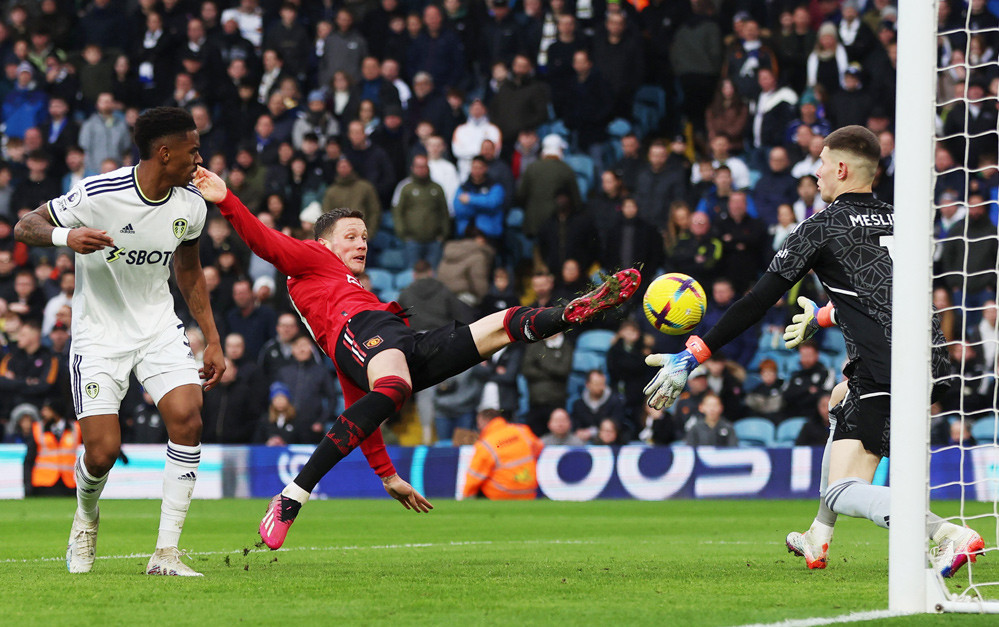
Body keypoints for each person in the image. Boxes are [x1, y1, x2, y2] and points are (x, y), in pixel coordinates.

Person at [192, 166, 639, 549]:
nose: (362, 244)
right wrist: (227, 199)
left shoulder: (346, 292)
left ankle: (571, 312)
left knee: (498, 327)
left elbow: (357, 408)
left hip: (392, 340)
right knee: (393, 386)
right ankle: (292, 496)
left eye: (365, 237)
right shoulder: (313, 259)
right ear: (326, 245)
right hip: (368, 332)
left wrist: (387, 476)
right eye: (351, 236)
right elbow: (266, 242)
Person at [642, 125, 982, 578]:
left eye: (821, 163)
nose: (816, 172)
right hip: (932, 360)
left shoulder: (820, 226)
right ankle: (818, 535)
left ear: (841, 168)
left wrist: (693, 354)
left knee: (845, 488)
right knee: (839, 401)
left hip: (885, 367)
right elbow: (884, 294)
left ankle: (948, 535)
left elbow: (757, 301)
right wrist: (825, 316)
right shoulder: (900, 218)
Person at [13, 107, 226, 577]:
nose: (199, 158)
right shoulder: (98, 192)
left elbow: (188, 270)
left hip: (157, 328)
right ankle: (85, 521)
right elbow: (24, 225)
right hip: (99, 334)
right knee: (103, 451)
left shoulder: (191, 203)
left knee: (188, 419)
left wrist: (211, 339)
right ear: (163, 152)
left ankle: (166, 555)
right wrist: (66, 236)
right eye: (192, 150)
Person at [461, 408, 543, 500]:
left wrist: (465, 496)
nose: (478, 427)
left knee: (482, 479)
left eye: (478, 423)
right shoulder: (522, 430)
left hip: (501, 493)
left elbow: (475, 476)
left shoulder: (486, 444)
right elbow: (539, 447)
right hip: (528, 491)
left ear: (484, 421)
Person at [24, 399, 80, 497]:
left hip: (69, 484)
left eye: (47, 410)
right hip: (43, 484)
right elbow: (29, 460)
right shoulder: (38, 429)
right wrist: (28, 486)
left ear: (56, 412)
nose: (43, 413)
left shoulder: (75, 428)